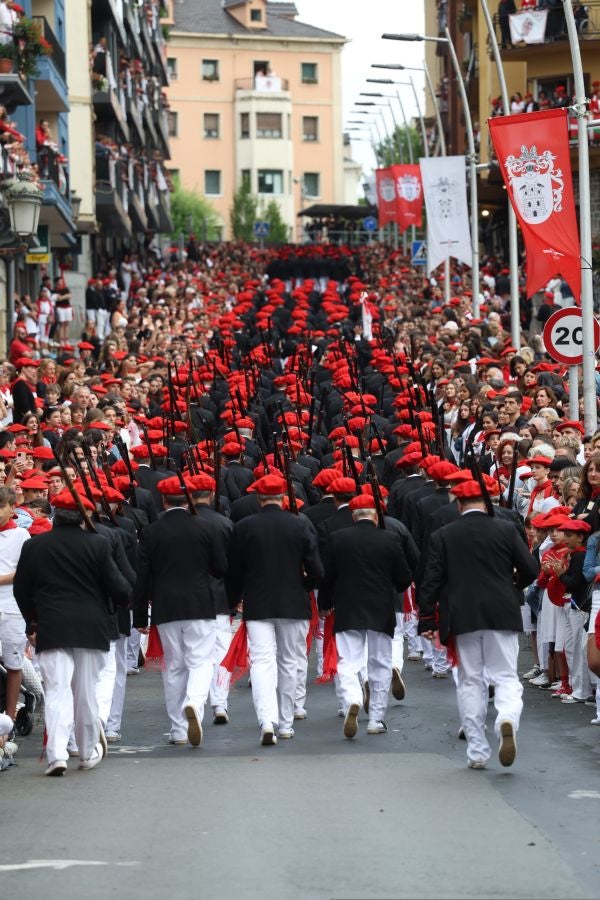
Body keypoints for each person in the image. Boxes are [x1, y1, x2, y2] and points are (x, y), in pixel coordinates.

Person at [418, 479, 539, 769]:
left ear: (459, 505)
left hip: (461, 614)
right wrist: (513, 586)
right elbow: (531, 569)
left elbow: (431, 580)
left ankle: (476, 750)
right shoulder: (506, 529)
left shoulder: (444, 535)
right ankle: (507, 718)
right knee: (506, 676)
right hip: (501, 610)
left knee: (471, 680)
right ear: (487, 504)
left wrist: (425, 618)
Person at [14, 488, 131, 776]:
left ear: (55, 515)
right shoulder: (98, 544)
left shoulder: (34, 546)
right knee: (85, 693)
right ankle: (86, 750)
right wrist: (121, 601)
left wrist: (32, 622)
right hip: (91, 626)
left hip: (52, 625)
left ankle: (57, 754)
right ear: (85, 516)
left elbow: (21, 590)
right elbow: (120, 586)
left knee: (57, 691)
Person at [226, 473, 323, 745]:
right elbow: (317, 569)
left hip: (257, 602)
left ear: (259, 498)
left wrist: (233, 599)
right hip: (293, 601)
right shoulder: (300, 524)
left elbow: (234, 571)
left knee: (262, 662)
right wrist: (305, 586)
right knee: (290, 661)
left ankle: (266, 720)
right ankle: (285, 722)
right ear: (283, 497)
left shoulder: (244, 527)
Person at [133, 475, 228, 747]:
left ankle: (178, 730)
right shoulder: (205, 527)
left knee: (174, 667)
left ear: (163, 501)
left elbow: (142, 576)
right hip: (200, 603)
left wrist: (140, 615)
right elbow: (220, 567)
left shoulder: (152, 532)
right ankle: (195, 703)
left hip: (166, 606)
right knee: (201, 661)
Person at [319, 494, 413, 738]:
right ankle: (376, 719)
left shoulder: (337, 539)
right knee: (380, 662)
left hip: (347, 608)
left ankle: (352, 698)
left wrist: (325, 603)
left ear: (353, 516)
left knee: (348, 662)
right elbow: (404, 579)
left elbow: (327, 577)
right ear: (376, 515)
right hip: (381, 609)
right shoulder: (390, 539)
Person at [0, 486, 30, 724]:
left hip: (12, 606)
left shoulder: (21, 536)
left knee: (13, 662)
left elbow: (24, 572)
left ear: (12, 509)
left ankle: (9, 718)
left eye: (1, 507)